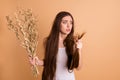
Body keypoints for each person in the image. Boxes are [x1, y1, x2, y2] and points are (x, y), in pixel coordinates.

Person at [29, 11, 83, 80]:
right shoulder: (49, 41)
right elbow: (50, 62)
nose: (69, 26)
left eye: (71, 23)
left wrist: (79, 50)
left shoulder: (73, 42)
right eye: (65, 22)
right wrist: (37, 62)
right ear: (57, 24)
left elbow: (78, 67)